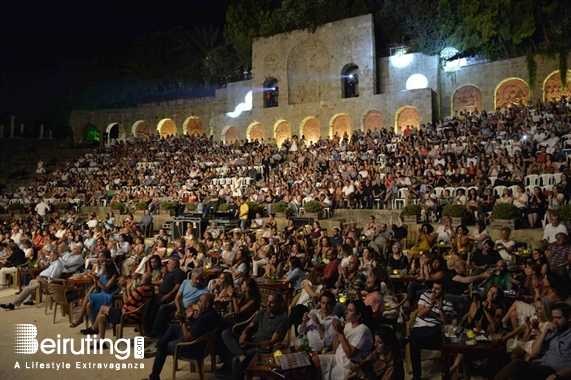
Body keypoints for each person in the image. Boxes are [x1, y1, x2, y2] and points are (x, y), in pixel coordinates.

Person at [144, 293, 221, 380]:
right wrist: (190, 318)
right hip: (204, 345)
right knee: (174, 327)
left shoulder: (203, 319)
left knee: (163, 347)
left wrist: (183, 321)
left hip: (193, 348)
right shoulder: (214, 314)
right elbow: (198, 329)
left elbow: (188, 338)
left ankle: (154, 376)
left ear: (206, 304)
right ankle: (159, 346)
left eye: (200, 301)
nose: (198, 303)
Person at [493, 302, 571, 380]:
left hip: (557, 371)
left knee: (517, 364)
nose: (554, 321)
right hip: (543, 367)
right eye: (553, 317)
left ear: (569, 318)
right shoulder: (554, 331)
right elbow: (535, 352)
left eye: (558, 318)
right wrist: (544, 332)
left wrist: (556, 375)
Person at [221, 292, 288, 380]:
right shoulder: (263, 312)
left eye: (272, 302)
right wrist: (244, 333)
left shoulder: (283, 318)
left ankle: (240, 356)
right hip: (252, 340)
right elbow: (249, 326)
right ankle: (241, 355)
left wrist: (249, 344)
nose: (268, 304)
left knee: (235, 360)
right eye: (267, 301)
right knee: (226, 333)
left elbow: (272, 342)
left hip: (264, 347)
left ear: (279, 304)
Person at [82, 272, 154, 347]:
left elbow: (126, 301)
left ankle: (94, 329)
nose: (140, 279)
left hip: (127, 315)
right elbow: (131, 299)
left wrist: (123, 288)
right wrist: (128, 288)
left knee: (103, 308)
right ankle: (100, 342)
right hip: (134, 313)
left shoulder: (140, 290)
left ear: (143, 280)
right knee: (101, 317)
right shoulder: (150, 289)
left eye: (141, 278)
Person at [313, 300, 374, 380]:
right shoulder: (348, 325)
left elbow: (349, 354)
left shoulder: (363, 330)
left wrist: (341, 333)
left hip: (345, 367)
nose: (346, 312)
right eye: (347, 309)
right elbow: (335, 349)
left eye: (350, 310)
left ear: (358, 315)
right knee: (315, 360)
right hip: (336, 358)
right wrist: (336, 332)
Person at [408, 280, 454, 380]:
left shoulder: (448, 304)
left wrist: (441, 309)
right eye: (433, 288)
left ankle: (409, 338)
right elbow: (420, 313)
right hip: (420, 327)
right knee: (415, 342)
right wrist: (431, 306)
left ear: (444, 291)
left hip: (435, 333)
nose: (433, 290)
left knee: (439, 329)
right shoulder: (425, 296)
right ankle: (417, 377)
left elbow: (447, 325)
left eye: (437, 289)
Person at [151, 270, 208, 338]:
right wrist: (178, 309)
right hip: (179, 304)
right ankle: (155, 331)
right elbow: (177, 297)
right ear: (192, 277)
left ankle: (162, 335)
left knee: (169, 316)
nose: (198, 281)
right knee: (163, 308)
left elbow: (205, 302)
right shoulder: (186, 282)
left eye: (200, 279)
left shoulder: (204, 290)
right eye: (196, 279)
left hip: (188, 309)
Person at [69, 258, 119, 328]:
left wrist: (98, 280)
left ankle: (80, 318)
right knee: (88, 304)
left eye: (104, 266)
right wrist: (95, 280)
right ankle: (94, 326)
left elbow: (106, 288)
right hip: (101, 293)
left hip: (109, 295)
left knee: (88, 296)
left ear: (108, 267)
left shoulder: (114, 276)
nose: (102, 267)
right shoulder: (102, 274)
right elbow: (98, 289)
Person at [144, 258, 186, 337]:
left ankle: (154, 330)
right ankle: (145, 325)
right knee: (146, 302)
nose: (167, 265)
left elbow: (178, 286)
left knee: (154, 307)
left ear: (174, 265)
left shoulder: (179, 273)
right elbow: (161, 282)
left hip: (167, 296)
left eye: (169, 263)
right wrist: (149, 282)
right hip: (159, 294)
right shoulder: (168, 272)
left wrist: (169, 295)